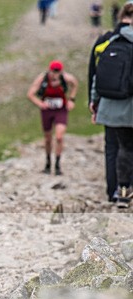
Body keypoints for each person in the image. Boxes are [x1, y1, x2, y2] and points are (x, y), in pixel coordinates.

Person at [89, 3, 132, 202]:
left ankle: (113, 191)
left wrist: (94, 101)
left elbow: (96, 74)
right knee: (128, 148)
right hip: (129, 107)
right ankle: (126, 188)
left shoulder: (107, 41)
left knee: (113, 147)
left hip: (108, 104)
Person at [26, 60, 79, 175]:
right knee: (48, 138)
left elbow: (75, 84)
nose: (55, 74)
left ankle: (58, 165)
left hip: (61, 110)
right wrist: (40, 103)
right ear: (49, 70)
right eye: (53, 71)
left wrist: (72, 100)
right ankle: (48, 162)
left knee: (59, 136)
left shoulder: (66, 78)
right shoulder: (42, 79)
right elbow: (30, 93)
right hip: (47, 111)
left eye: (57, 71)